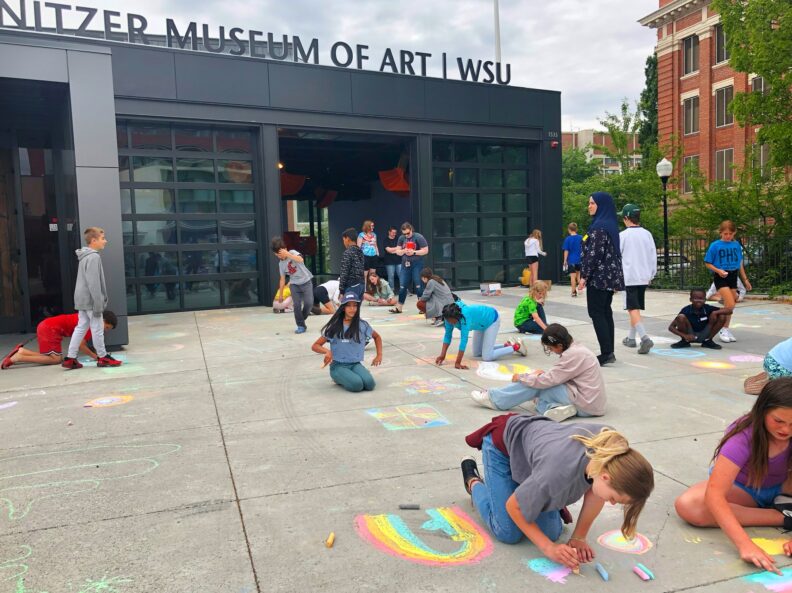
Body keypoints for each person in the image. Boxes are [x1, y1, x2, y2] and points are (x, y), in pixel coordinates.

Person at [461, 417, 654, 570]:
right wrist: (547, 548)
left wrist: (579, 537)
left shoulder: (612, 455)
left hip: (536, 459)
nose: (611, 503)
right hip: (503, 448)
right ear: (605, 477)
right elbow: (514, 506)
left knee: (551, 533)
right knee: (507, 532)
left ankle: (525, 489)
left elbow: (596, 494)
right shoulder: (557, 472)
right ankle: (474, 482)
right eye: (613, 498)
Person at [674, 378, 792, 575]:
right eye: (778, 421)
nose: (786, 430)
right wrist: (744, 544)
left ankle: (785, 507)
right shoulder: (743, 436)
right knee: (689, 506)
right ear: (762, 412)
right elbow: (715, 494)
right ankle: (783, 517)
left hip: (784, 488)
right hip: (744, 490)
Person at [470, 324, 606, 422]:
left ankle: (495, 399)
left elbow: (547, 381)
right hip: (590, 404)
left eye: (550, 348)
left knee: (535, 384)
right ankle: (553, 408)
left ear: (559, 346)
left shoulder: (573, 354)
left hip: (584, 403)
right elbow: (560, 376)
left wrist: (523, 378)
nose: (551, 351)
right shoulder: (577, 349)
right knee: (539, 389)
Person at [62, 227, 122, 370]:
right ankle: (103, 357)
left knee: (81, 327)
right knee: (97, 328)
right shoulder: (94, 257)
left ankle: (70, 358)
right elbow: (93, 282)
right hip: (91, 300)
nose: (105, 241)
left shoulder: (84, 256)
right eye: (103, 238)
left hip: (82, 299)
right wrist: (98, 303)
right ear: (93, 240)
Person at [578, 192, 624, 366]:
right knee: (605, 312)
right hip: (609, 277)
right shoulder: (610, 225)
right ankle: (609, 351)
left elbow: (594, 255)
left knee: (597, 312)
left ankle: (606, 353)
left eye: (592, 203)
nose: (589, 206)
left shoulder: (599, 227)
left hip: (599, 277)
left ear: (601, 205)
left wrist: (584, 276)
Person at [311, 292, 383, 392]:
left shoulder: (362, 324)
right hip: (338, 365)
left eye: (355, 306)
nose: (352, 309)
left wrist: (379, 355)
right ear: (343, 307)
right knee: (357, 385)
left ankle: (355, 374)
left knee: (370, 385)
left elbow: (377, 337)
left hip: (355, 364)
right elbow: (315, 345)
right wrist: (327, 352)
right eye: (348, 306)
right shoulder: (335, 326)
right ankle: (337, 376)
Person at [2, 311, 118, 370]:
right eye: (106, 327)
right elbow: (81, 345)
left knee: (50, 357)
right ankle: (18, 357)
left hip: (47, 326)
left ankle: (22, 352)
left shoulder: (88, 319)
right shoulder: (90, 324)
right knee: (56, 359)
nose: (105, 330)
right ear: (102, 320)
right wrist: (96, 357)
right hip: (50, 329)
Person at [436, 302, 526, 369]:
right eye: (448, 320)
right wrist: (442, 355)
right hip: (479, 324)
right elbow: (447, 336)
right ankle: (506, 345)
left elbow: (463, 340)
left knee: (487, 357)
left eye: (453, 321)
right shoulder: (448, 317)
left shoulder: (465, 317)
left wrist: (458, 362)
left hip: (491, 320)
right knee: (477, 353)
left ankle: (516, 346)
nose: (450, 323)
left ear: (458, 317)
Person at [704, 220, 752, 343]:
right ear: (720, 233)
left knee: (731, 304)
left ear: (734, 233)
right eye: (725, 233)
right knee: (730, 304)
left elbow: (740, 263)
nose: (728, 236)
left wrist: (745, 280)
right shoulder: (715, 245)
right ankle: (715, 320)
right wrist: (718, 271)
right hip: (721, 276)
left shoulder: (736, 245)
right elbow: (707, 263)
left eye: (730, 233)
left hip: (732, 275)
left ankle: (725, 329)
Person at [619, 204, 658, 355]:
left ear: (627, 218)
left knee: (632, 308)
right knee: (635, 308)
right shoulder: (647, 234)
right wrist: (651, 274)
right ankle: (631, 338)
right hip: (643, 276)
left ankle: (644, 337)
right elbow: (652, 255)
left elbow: (617, 257)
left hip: (629, 277)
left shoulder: (623, 236)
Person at [271, 237, 314, 334]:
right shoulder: (281, 264)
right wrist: (281, 294)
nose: (281, 256)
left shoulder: (293, 252)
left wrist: (288, 254)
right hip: (294, 285)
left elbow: (300, 260)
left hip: (306, 282)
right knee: (297, 305)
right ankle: (300, 325)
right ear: (276, 254)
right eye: (278, 255)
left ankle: (301, 319)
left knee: (309, 304)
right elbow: (282, 279)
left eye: (282, 253)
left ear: (285, 249)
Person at [390, 222, 429, 313]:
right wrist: (404, 251)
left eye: (408, 233)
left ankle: (422, 307)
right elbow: (398, 251)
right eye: (404, 234)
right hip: (405, 264)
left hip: (417, 263)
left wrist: (414, 252)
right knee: (402, 286)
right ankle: (399, 307)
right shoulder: (401, 238)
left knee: (419, 285)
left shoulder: (418, 237)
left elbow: (426, 250)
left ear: (411, 230)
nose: (406, 235)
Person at [339, 228, 366, 300]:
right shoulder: (360, 251)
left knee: (347, 310)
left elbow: (344, 272)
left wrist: (341, 290)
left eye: (343, 240)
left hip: (352, 286)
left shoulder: (347, 252)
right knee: (356, 310)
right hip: (361, 285)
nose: (343, 242)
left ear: (347, 239)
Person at [562, 223, 583, 297]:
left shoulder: (567, 239)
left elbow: (566, 250)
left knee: (572, 277)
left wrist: (565, 260)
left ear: (569, 230)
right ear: (576, 229)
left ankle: (573, 292)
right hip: (579, 260)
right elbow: (585, 244)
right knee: (578, 276)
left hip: (571, 260)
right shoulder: (581, 237)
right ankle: (580, 289)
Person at [357, 220, 379, 285]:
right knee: (365, 275)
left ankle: (371, 290)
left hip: (374, 255)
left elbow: (375, 244)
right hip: (365, 255)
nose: (373, 227)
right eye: (372, 226)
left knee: (372, 275)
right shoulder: (361, 235)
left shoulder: (374, 234)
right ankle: (364, 290)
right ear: (367, 226)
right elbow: (358, 246)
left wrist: (377, 252)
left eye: (373, 226)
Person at [383, 226, 402, 293]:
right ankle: (391, 290)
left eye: (395, 232)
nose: (394, 234)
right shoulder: (386, 240)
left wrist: (392, 250)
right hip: (389, 262)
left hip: (399, 261)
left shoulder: (398, 239)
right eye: (393, 232)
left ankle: (404, 289)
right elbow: (388, 250)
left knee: (401, 275)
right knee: (391, 276)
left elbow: (401, 248)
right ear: (389, 232)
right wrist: (396, 248)